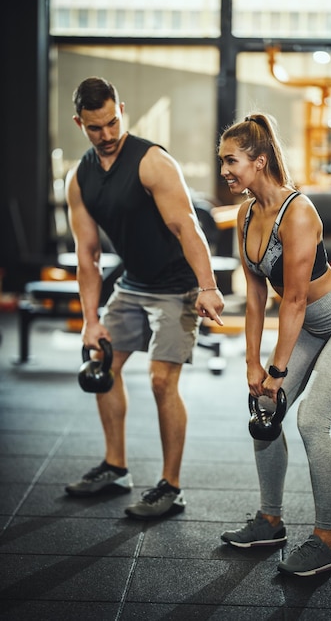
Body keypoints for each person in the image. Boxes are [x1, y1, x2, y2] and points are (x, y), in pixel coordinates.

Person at [218, 113, 331, 576]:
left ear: (260, 160)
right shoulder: (246, 214)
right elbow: (254, 298)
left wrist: (278, 370)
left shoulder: (299, 211)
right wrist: (254, 367)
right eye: (222, 161)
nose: (225, 170)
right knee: (264, 409)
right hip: (307, 323)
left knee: (312, 421)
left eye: (232, 161)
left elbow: (292, 298)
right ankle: (270, 520)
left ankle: (325, 541)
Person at [64, 77, 224, 520]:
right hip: (133, 284)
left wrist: (208, 286)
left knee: (160, 381)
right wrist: (89, 320)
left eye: (113, 122)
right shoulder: (78, 178)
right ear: (80, 123)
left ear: (122, 110)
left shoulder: (152, 161)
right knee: (104, 365)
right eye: (95, 128)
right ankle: (115, 466)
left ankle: (171, 486)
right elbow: (88, 255)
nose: (107, 134)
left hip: (177, 285)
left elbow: (187, 226)